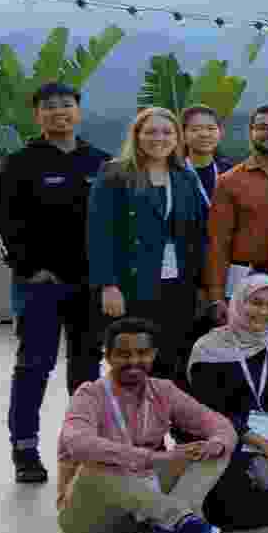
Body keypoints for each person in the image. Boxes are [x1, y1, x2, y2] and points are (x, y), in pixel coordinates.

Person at [55, 316, 233, 533]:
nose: (134, 361)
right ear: (107, 356)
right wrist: (154, 458)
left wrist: (215, 444)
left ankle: (167, 527)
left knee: (216, 450)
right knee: (97, 465)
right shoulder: (89, 394)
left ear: (154, 354)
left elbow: (219, 424)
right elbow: (77, 442)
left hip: (145, 505)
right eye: (123, 354)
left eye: (142, 353)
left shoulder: (163, 390)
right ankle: (184, 520)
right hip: (91, 517)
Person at [87, 106, 209, 388]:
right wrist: (108, 285)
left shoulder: (185, 177)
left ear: (177, 138)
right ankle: (133, 430)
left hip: (178, 286)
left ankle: (171, 428)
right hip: (132, 285)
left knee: (173, 363)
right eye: (151, 131)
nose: (159, 138)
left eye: (167, 132)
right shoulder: (115, 174)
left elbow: (197, 235)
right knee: (133, 364)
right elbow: (99, 233)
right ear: (137, 136)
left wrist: (203, 285)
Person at [181, 273, 268, 528]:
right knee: (230, 503)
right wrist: (258, 441)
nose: (263, 312)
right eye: (256, 302)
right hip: (228, 438)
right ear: (239, 302)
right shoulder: (209, 348)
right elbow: (211, 411)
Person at [202, 104, 268, 336]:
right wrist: (216, 296)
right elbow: (218, 243)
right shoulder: (229, 181)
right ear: (251, 131)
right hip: (245, 283)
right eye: (263, 127)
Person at [178, 105, 235, 208]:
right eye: (195, 129)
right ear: (183, 135)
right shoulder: (173, 174)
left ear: (220, 133)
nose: (204, 134)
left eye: (211, 128)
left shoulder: (231, 172)